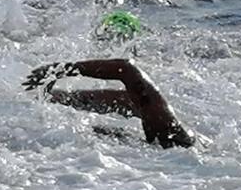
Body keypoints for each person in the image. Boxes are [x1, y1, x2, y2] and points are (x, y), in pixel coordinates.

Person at [24, 58, 194, 147]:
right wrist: (53, 97)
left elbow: (126, 68)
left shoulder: (166, 125)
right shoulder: (158, 120)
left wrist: (60, 69)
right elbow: (118, 99)